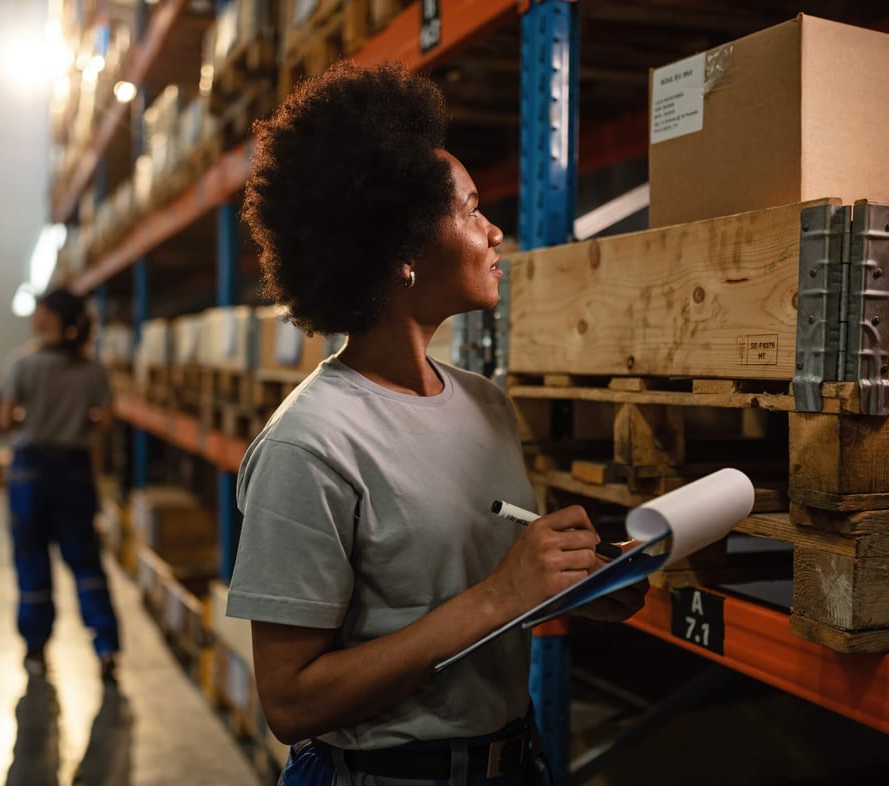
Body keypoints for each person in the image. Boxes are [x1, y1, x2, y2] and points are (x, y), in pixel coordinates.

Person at [226, 62, 648, 786]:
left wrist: (575, 583)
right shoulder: (312, 444)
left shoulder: (485, 405)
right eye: (471, 208)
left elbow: (488, 583)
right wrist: (501, 596)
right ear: (404, 254)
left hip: (515, 760)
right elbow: (291, 702)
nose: (495, 231)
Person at [0, 289, 121, 681]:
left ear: (50, 316)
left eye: (39, 310)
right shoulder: (91, 369)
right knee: (85, 561)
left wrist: (28, 417)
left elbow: (3, 420)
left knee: (32, 561)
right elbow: (107, 419)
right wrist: (80, 420)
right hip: (73, 471)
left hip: (30, 471)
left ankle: (35, 650)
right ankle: (105, 646)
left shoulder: (25, 365)